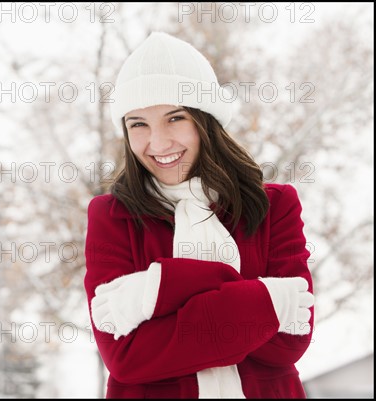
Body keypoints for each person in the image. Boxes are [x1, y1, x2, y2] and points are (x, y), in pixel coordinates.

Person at [83, 31, 315, 399]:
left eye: (174, 118)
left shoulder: (275, 206)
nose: (157, 143)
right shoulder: (111, 216)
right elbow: (125, 357)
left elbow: (288, 343)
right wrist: (255, 295)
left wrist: (153, 295)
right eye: (138, 123)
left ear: (206, 120)